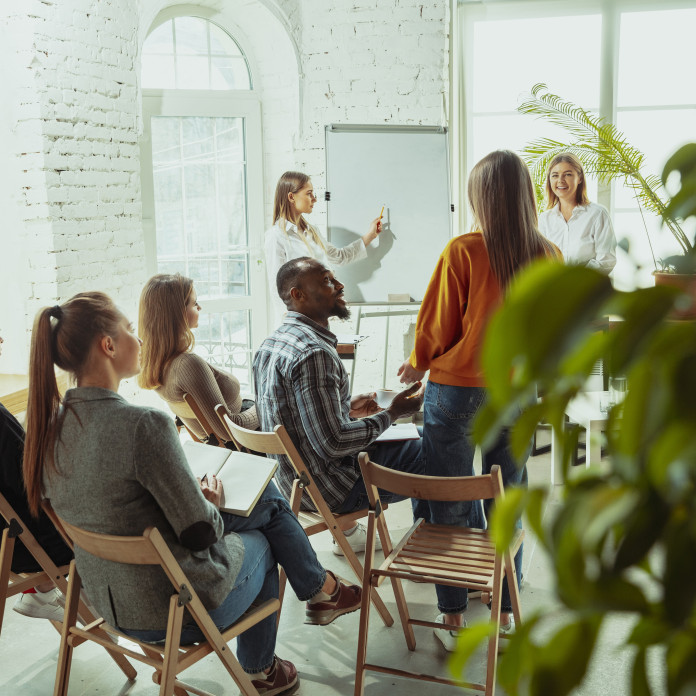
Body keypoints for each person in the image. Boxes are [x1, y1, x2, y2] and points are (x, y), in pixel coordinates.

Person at [22, 292, 363, 694]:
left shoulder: (46, 427)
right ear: (108, 345)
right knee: (266, 533)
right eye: (130, 331)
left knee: (267, 502)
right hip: (173, 612)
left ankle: (322, 591)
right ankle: (265, 666)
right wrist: (210, 502)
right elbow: (200, 531)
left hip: (107, 603)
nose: (140, 340)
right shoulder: (142, 425)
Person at [398, 150, 561, 651]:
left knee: (451, 496)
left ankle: (452, 615)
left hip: (456, 392)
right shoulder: (548, 254)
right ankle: (506, 608)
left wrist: (417, 362)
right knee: (506, 496)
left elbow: (438, 323)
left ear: (481, 197)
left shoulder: (463, 250)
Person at [253, 257, 427, 556]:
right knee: (438, 451)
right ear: (298, 295)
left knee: (419, 442)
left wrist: (344, 407)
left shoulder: (271, 343)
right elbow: (333, 444)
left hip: (293, 485)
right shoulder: (314, 353)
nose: (340, 285)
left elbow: (298, 418)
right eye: (326, 280)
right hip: (333, 489)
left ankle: (423, 539)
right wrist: (393, 413)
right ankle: (434, 547)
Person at [0, 332, 72, 622]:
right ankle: (100, 604)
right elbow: (34, 483)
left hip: (7, 544)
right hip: (30, 546)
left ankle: (40, 590)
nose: (2, 339)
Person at [138, 273, 258, 445]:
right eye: (194, 303)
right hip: (248, 443)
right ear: (177, 313)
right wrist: (266, 406)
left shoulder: (155, 362)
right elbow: (229, 430)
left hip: (235, 434)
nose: (200, 307)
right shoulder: (188, 365)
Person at [264, 171, 382, 324]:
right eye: (309, 193)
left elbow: (339, 257)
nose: (314, 199)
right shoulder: (276, 236)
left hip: (320, 315)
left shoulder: (312, 232)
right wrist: (288, 321)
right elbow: (277, 286)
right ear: (291, 197)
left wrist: (370, 236)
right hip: (297, 321)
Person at [538, 152, 616, 274]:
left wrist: (575, 279)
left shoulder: (597, 214)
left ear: (579, 178)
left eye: (567, 174)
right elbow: (540, 261)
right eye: (555, 175)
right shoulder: (544, 219)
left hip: (587, 289)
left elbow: (606, 261)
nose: (560, 180)